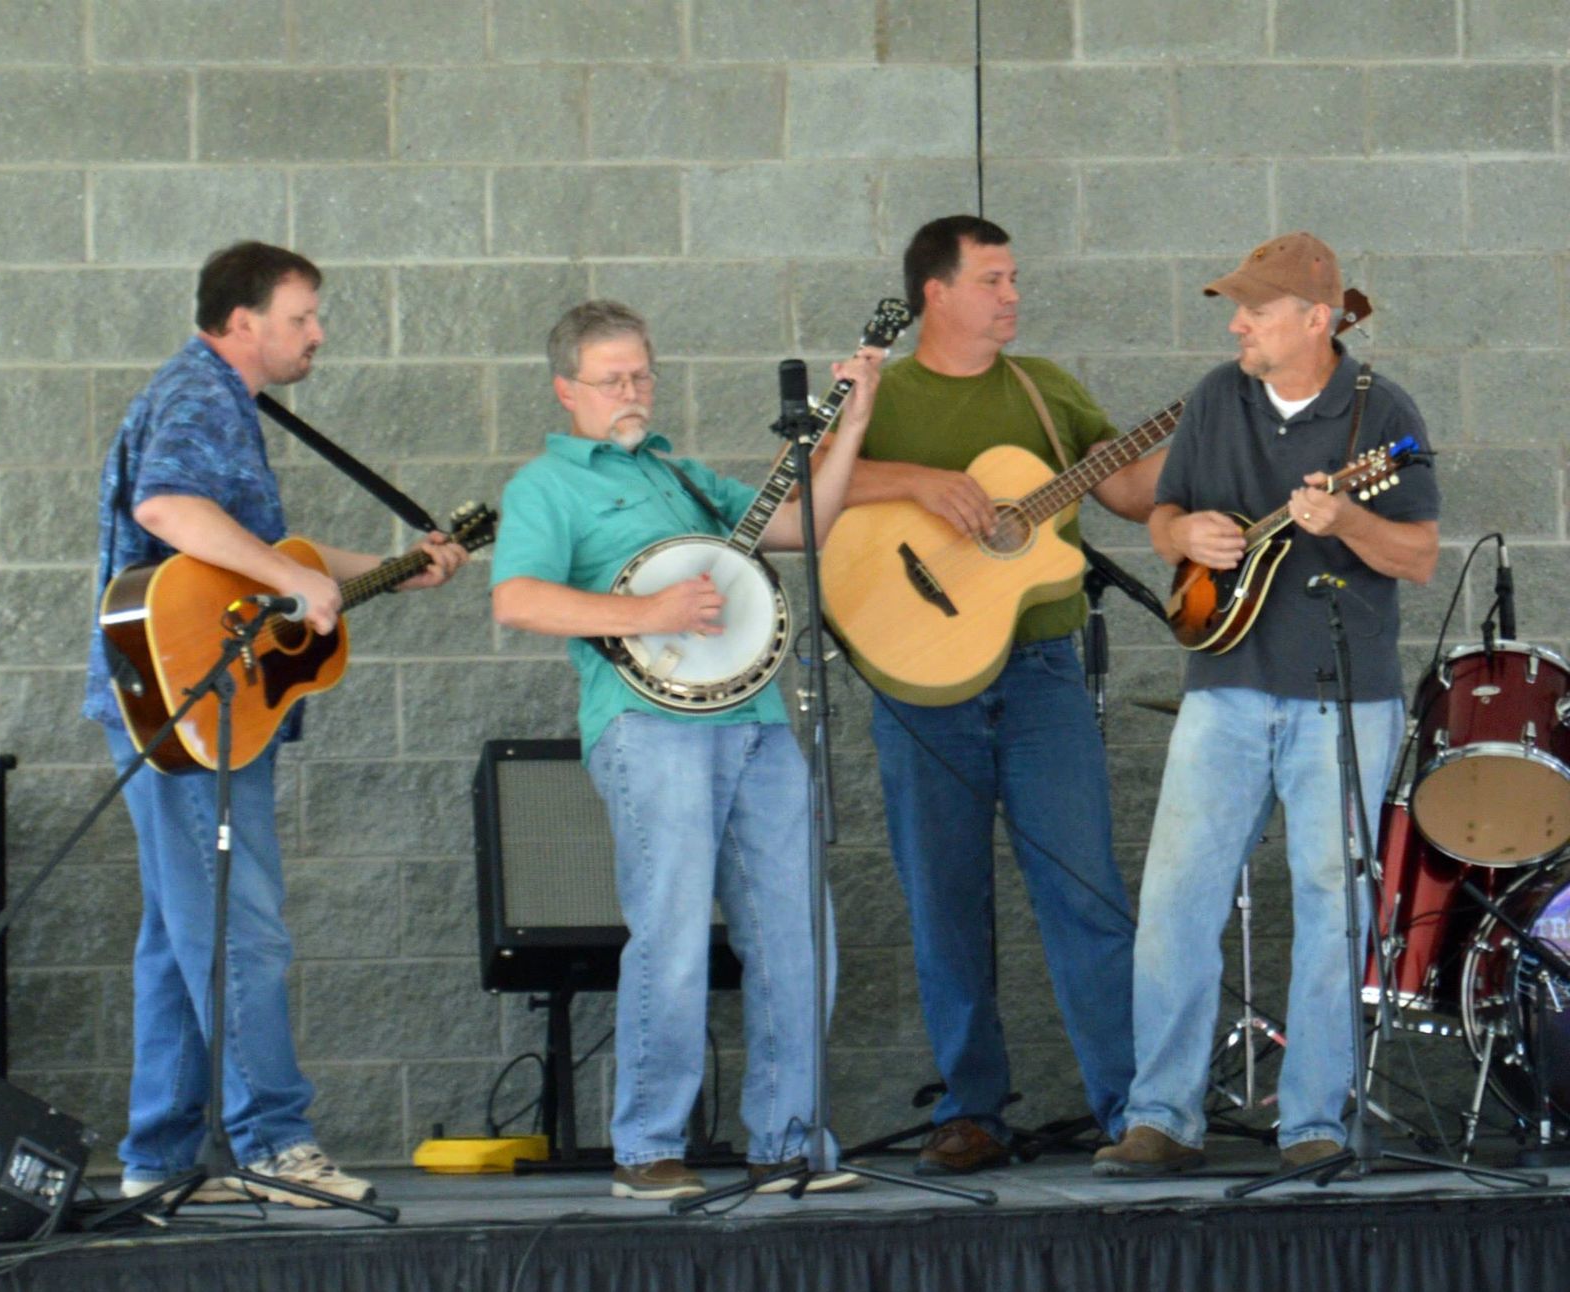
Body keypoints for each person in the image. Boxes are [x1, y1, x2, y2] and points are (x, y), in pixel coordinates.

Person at [84, 242, 468, 1206]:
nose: (317, 333)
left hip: (174, 703)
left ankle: (160, 1162)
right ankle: (274, 1145)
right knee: (239, 927)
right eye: (302, 316)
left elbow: (256, 556)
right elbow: (168, 506)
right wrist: (293, 578)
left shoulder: (220, 400)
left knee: (182, 935)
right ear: (242, 321)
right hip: (187, 705)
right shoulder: (202, 393)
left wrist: (387, 569)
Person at [490, 300, 880, 1201]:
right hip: (648, 724)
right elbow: (517, 599)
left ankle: (787, 1143)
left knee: (798, 935)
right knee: (670, 937)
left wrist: (854, 422)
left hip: (757, 721)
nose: (632, 392)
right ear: (567, 391)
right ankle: (647, 1148)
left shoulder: (684, 475)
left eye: (643, 375)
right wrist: (648, 612)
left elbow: (804, 527)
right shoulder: (547, 487)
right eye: (612, 380)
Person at [1092, 232, 1440, 1177]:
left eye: (1255, 310)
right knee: (1175, 902)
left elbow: (1418, 555)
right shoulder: (1217, 397)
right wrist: (1184, 536)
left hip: (1344, 698)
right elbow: (1163, 515)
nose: (1237, 325)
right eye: (1238, 310)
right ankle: (1161, 1117)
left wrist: (1350, 519)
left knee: (1334, 908)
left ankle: (1314, 1120)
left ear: (1316, 319)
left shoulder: (1381, 413)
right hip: (1225, 689)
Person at [836, 215, 1162, 1174]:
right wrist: (917, 482)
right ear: (936, 293)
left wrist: (1209, 443)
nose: (1013, 294)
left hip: (1042, 672)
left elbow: (1128, 493)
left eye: (1015, 277)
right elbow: (802, 492)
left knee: (1086, 889)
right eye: (993, 280)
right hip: (919, 682)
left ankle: (1135, 1109)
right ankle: (971, 1108)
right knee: (945, 900)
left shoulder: (1045, 389)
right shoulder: (884, 395)